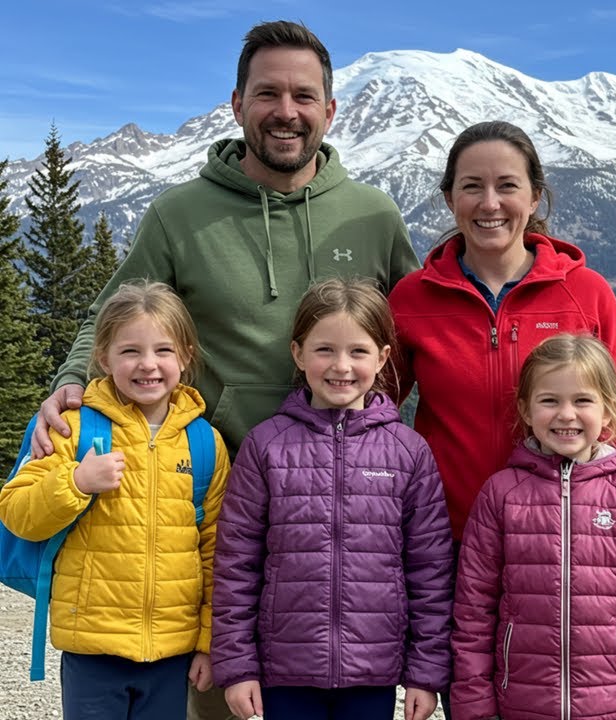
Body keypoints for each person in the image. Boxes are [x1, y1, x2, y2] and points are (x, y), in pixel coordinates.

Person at [26, 22, 420, 718]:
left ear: (330, 111)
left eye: (304, 95)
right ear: (236, 104)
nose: (286, 110)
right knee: (222, 697)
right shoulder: (182, 214)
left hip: (338, 503)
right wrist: (67, 381)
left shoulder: (372, 213)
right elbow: (114, 310)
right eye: (268, 92)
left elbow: (419, 326)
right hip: (214, 498)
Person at [388, 120, 616, 584]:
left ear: (534, 196)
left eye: (507, 186)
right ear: (450, 199)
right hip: (446, 545)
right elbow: (371, 414)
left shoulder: (584, 293)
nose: (490, 204)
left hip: (570, 543)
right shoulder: (411, 300)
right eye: (472, 187)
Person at [211, 278, 454, 719]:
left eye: (358, 351)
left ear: (382, 358)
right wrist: (238, 666)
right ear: (298, 353)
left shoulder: (408, 452)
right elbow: (235, 566)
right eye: (324, 350)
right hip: (285, 672)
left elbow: (430, 572)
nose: (341, 366)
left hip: (373, 672)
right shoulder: (266, 446)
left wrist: (425, 672)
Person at [0, 282, 229, 719]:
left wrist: (207, 643)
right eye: (130, 352)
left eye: (163, 350)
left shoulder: (204, 444)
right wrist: (76, 482)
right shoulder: (72, 428)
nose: (148, 365)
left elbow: (216, 551)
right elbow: (17, 513)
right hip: (92, 648)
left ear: (185, 356)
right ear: (103, 357)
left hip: (172, 651)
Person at [450, 334, 616, 720]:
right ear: (525, 409)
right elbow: (473, 611)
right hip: (519, 705)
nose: (566, 414)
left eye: (582, 401)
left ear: (608, 410)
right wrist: (475, 707)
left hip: (608, 705)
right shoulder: (500, 495)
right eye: (549, 401)